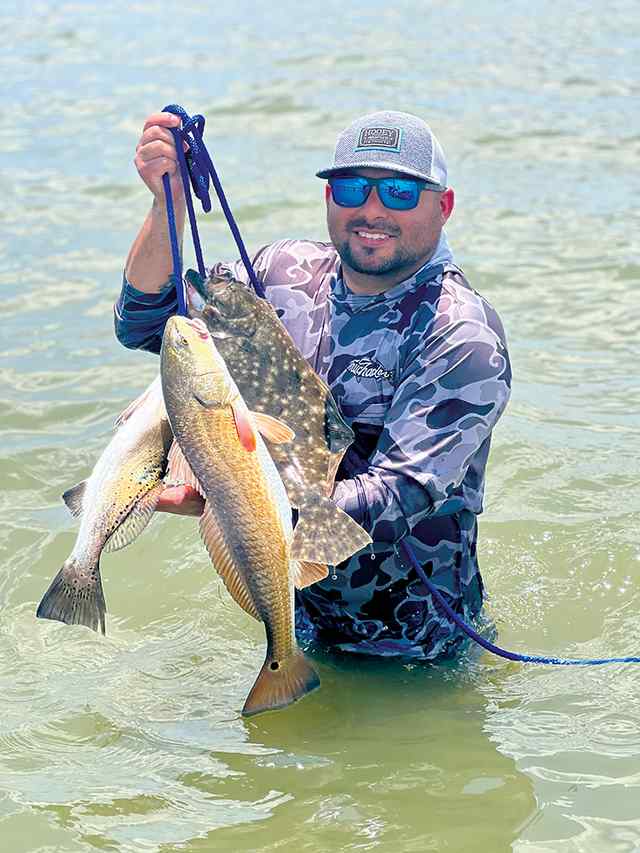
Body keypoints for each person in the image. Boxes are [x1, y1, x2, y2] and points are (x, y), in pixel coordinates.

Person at [115, 110, 512, 660]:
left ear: (442, 207)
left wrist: (237, 497)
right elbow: (147, 324)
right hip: (290, 617)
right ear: (329, 196)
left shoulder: (460, 334)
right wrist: (168, 207)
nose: (372, 210)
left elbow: (400, 494)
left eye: (399, 192)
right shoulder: (280, 273)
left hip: (413, 651)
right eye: (352, 188)